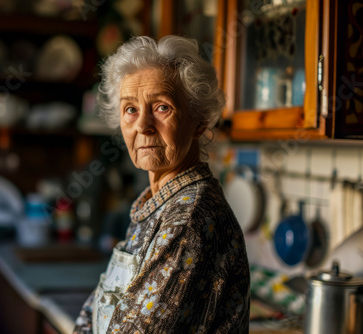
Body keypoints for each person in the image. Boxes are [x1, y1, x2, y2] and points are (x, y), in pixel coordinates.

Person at [73, 35, 250, 334]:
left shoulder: (188, 219)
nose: (143, 125)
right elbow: (93, 311)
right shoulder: (157, 204)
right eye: (131, 109)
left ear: (199, 121)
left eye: (161, 107)